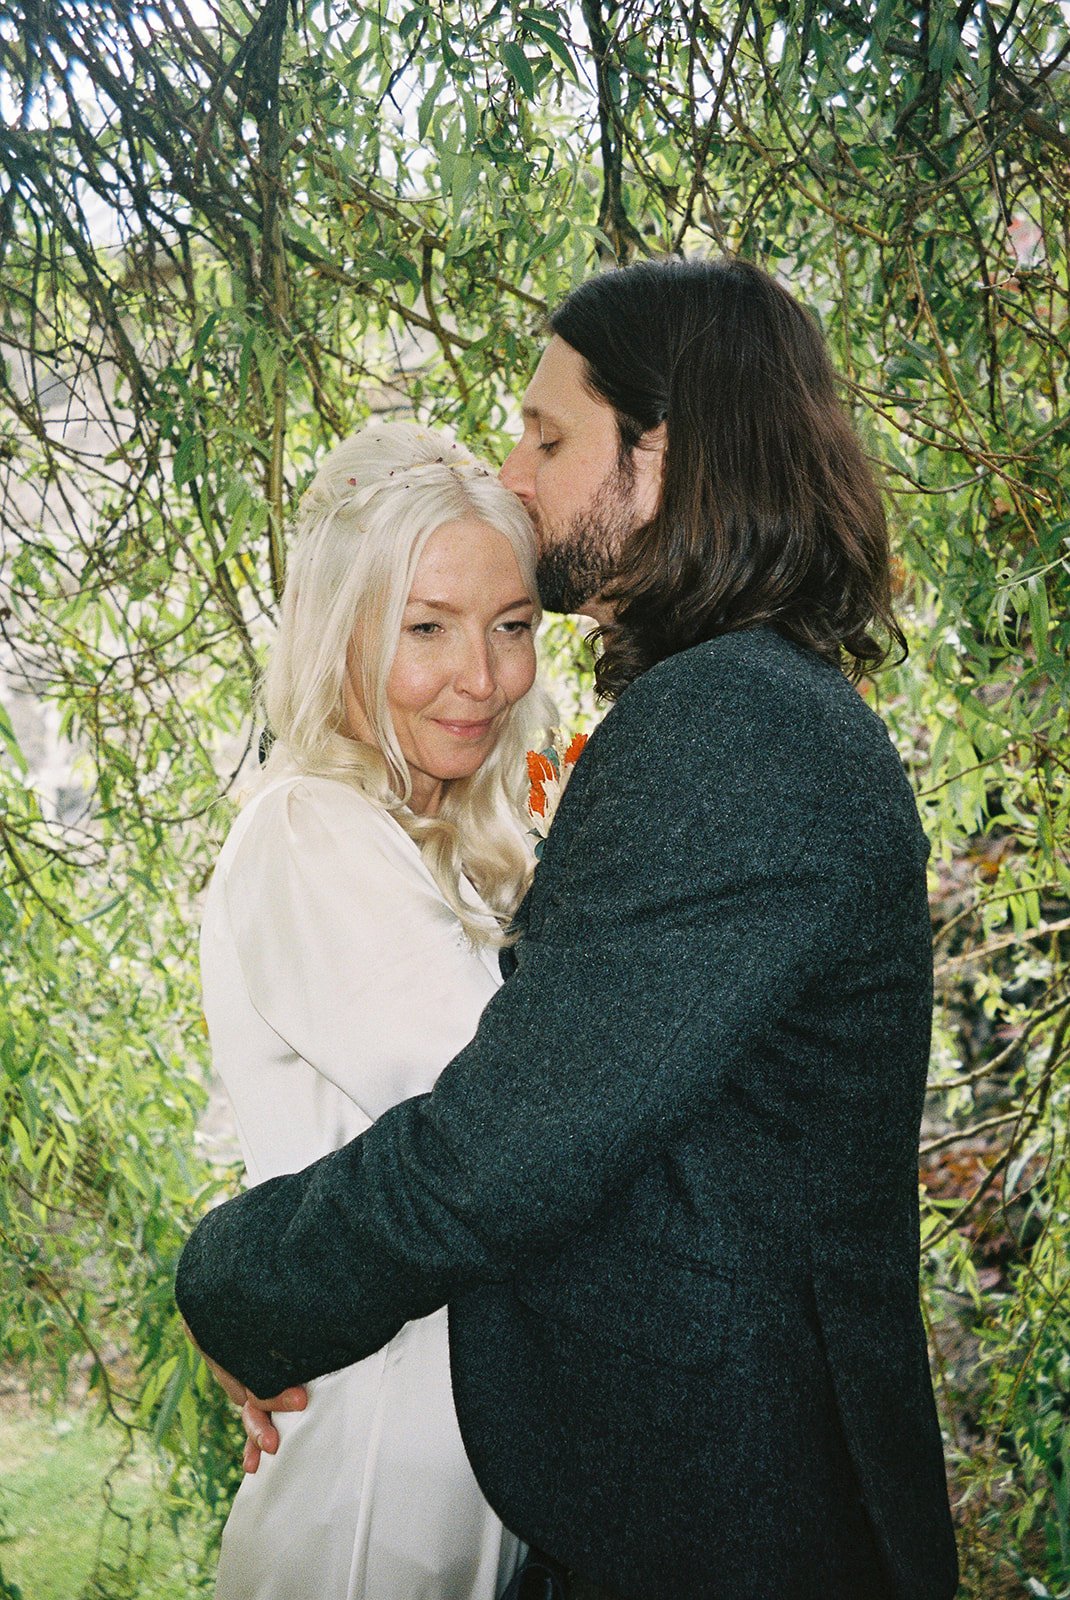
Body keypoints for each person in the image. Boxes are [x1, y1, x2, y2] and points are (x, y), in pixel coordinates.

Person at [177, 256, 960, 1600]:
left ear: (658, 459)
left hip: (729, 1521)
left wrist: (235, 1285)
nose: (517, 474)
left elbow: (507, 1141)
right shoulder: (764, 711)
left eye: (549, 437)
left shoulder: (730, 728)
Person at [195, 420, 552, 1599]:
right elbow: (515, 1134)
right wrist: (229, 1286)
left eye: (510, 627)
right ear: (342, 630)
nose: (484, 678)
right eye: (427, 628)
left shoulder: (431, 839)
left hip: (458, 1470)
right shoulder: (311, 832)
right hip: (370, 1491)